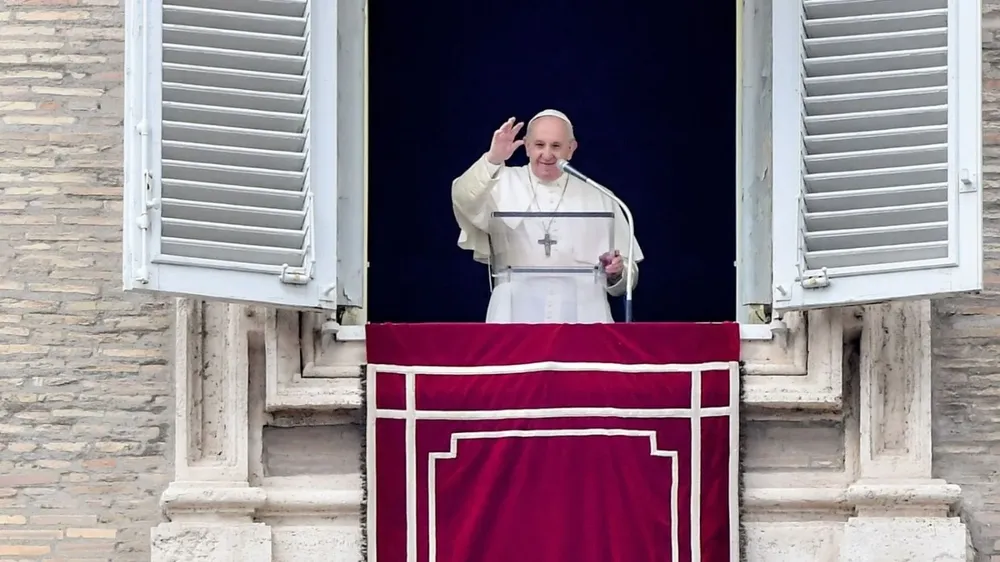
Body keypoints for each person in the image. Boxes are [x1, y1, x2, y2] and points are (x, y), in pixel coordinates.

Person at [451, 109, 643, 323]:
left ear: (571, 149)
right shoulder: (498, 184)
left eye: (556, 146)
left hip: (584, 315)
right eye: (539, 145)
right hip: (513, 313)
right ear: (526, 146)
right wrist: (493, 160)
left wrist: (616, 272)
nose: (547, 154)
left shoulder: (600, 197)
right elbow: (462, 199)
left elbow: (628, 275)